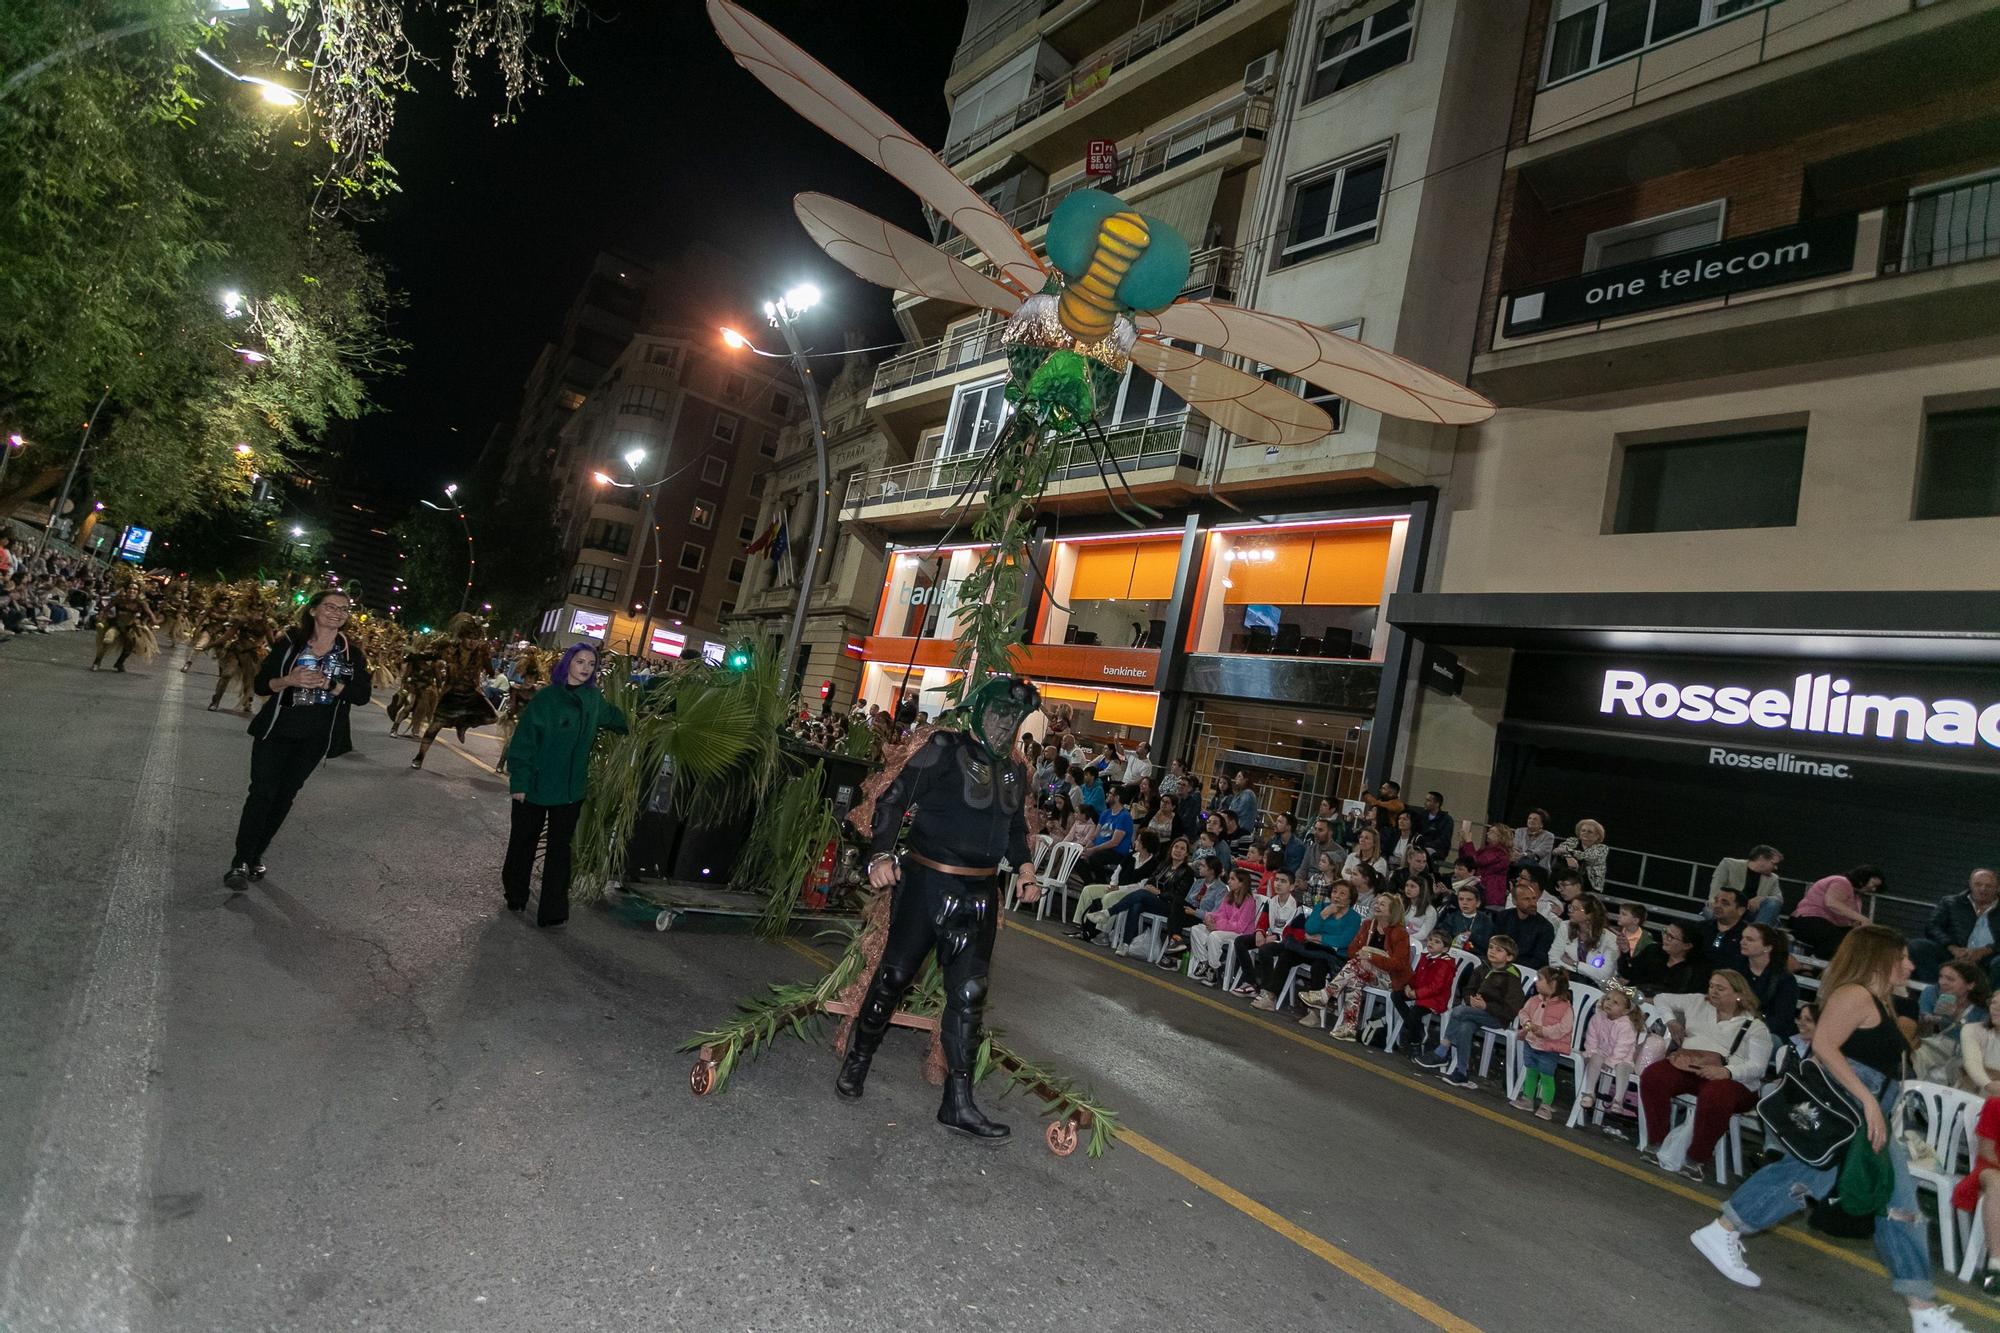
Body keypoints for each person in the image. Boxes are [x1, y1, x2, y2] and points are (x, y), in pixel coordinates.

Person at [1691, 928, 1970, 1333]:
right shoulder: (1855, 994)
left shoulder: (1880, 1001)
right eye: (1904, 957)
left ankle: (1923, 1309)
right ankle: (1723, 1229)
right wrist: (1869, 1101)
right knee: (1814, 1178)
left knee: (1894, 1204)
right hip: (1852, 1107)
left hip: (1869, 1109)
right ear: (1880, 958)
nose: (1911, 965)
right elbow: (1823, 1044)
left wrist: (1880, 1106)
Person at [836, 676, 1042, 1144]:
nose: (1004, 724)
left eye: (1014, 718)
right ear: (980, 711)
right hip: (927, 885)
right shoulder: (944, 748)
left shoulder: (1015, 772)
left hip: (979, 896)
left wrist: (1026, 869)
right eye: (999, 714)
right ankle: (858, 1059)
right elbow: (893, 800)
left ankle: (958, 1102)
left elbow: (1013, 831)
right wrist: (882, 855)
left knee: (969, 996)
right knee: (893, 979)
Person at [225, 590, 371, 890]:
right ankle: (240, 861)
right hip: (276, 730)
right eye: (330, 606)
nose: (337, 613)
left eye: (343, 609)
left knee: (284, 796)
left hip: (314, 738)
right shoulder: (290, 642)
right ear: (314, 610)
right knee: (262, 792)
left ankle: (256, 854)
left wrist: (331, 684)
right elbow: (262, 684)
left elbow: (362, 695)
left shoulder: (351, 653)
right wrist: (289, 680)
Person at [501, 643, 628, 927]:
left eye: (591, 663)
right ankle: (516, 894)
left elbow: (617, 719)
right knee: (523, 843)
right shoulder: (547, 698)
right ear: (567, 664)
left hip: (570, 792)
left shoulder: (593, 700)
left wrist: (646, 722)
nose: (585, 668)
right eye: (580, 661)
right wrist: (519, 781)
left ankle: (553, 911)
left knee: (560, 852)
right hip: (534, 785)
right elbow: (523, 742)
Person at [1639, 971, 1773, 1184]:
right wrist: (1671, 1021)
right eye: (1711, 986)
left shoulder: (1754, 1027)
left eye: (1721, 988)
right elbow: (1661, 998)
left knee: (1716, 1094)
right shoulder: (1697, 1002)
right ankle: (1657, 1142)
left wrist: (1727, 1072)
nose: (1713, 991)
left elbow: (1758, 1066)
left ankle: (1696, 1159)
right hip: (1691, 1067)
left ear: (1739, 994)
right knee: (1655, 1075)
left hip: (1734, 1080)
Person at [1418, 935, 1525, 1088]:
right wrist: (1471, 1001)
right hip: (1474, 1012)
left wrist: (1486, 1006)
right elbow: (1468, 989)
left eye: (1498, 950)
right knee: (1465, 1027)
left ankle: (1442, 1051)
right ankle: (1462, 1072)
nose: (1492, 952)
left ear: (1509, 957)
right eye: (1491, 948)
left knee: (1459, 1011)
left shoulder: (1511, 978)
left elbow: (1512, 1009)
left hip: (1497, 1017)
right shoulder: (1483, 967)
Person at [1304, 894, 1412, 1040]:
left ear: (1392, 911)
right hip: (1363, 971)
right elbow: (1352, 950)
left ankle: (1325, 995)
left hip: (1390, 979)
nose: (1377, 906)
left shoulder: (1400, 933)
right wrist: (1363, 959)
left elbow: (1399, 964)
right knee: (1355, 977)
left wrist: (1370, 957)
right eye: (1377, 903)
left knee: (1354, 968)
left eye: (1382, 904)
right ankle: (1349, 1027)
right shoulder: (1368, 925)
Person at [1249, 881, 1360, 1010]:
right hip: (1311, 949)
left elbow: (1344, 940)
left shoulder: (1354, 917)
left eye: (1342, 893)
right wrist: (1324, 914)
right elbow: (1309, 928)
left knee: (1319, 967)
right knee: (1287, 955)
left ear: (1350, 899)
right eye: (1335, 892)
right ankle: (1271, 997)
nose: (1337, 896)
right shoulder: (1321, 907)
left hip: (1332, 955)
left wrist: (1322, 938)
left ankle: (1315, 1012)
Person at [410, 614, 500, 769]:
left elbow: (490, 671)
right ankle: (420, 756)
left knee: (492, 717)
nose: (473, 642)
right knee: (434, 727)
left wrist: (490, 669)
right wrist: (414, 655)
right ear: (462, 637)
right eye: (469, 638)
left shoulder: (480, 654)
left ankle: (463, 724)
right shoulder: (450, 650)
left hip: (471, 694)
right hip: (451, 694)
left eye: (476, 638)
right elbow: (430, 655)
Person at [1070, 829, 1166, 936]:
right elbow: (1117, 871)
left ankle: (1102, 932)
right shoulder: (1131, 856)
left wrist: (1119, 889)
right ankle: (1082, 923)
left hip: (1132, 893)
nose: (1135, 842)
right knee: (1088, 890)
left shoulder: (1153, 864)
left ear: (1145, 845)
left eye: (1138, 840)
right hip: (1117, 887)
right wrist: (1113, 885)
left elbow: (1141, 886)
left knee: (1109, 898)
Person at [1913, 868, 2000, 985]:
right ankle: (1936, 989)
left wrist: (1985, 951)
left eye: (1988, 886)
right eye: (1978, 884)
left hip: (1988, 959)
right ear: (1970, 884)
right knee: (1918, 946)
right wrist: (1952, 948)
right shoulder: (1951, 902)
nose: (1983, 889)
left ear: (1998, 887)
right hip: (1953, 954)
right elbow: (1932, 926)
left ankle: (1990, 1000)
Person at [1912, 960, 1993, 1086]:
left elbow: (1980, 1045)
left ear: (1970, 985)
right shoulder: (1931, 993)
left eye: (1950, 979)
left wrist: (1954, 1018)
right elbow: (1923, 1034)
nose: (1942, 982)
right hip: (1935, 1045)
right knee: (1917, 1055)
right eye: (1941, 977)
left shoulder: (1982, 1010)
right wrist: (1929, 1021)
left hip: (1965, 1054)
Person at [1513, 967, 1577, 1120]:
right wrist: (1527, 1022)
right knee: (1531, 1070)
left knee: (1547, 1076)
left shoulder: (1565, 1007)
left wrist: (1544, 1031)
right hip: (1531, 1042)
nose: (1536, 982)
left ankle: (1546, 1105)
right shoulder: (1534, 1000)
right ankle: (1528, 1099)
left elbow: (1564, 1028)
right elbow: (1523, 1012)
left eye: (1539, 979)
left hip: (1549, 1047)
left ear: (1553, 983)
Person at [1952, 1097, 2000, 1297]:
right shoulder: (1995, 1105)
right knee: (1998, 1185)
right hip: (1990, 1168)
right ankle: (1996, 1267)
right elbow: (1987, 1152)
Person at [1577, 982, 1643, 1121]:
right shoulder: (1598, 1017)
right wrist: (1590, 1052)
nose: (1609, 1003)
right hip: (1602, 1052)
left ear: (1625, 1011)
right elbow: (1591, 1036)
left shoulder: (1626, 1025)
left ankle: (1618, 1099)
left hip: (1623, 1057)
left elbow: (1623, 1047)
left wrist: (1612, 1061)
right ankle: (1589, 1093)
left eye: (1615, 1003)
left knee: (1623, 1068)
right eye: (1608, 999)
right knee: (1594, 1059)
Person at [1790, 864, 1883, 960]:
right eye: (1873, 885)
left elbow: (1850, 921)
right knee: (1841, 939)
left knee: (1854, 939)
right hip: (1807, 920)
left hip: (1828, 926)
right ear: (1864, 877)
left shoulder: (1857, 898)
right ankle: (1812, 964)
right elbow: (1832, 903)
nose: (1873, 889)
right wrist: (1862, 918)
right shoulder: (1841, 882)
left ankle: (1813, 966)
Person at [1233, 871, 1303, 997]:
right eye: (1276, 880)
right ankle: (1251, 982)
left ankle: (1266, 990)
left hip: (1285, 941)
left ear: (1291, 887)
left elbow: (1298, 935)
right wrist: (1260, 933)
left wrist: (1276, 937)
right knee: (1240, 941)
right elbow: (1262, 922)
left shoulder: (1298, 907)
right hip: (1269, 935)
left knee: (1266, 950)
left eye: (1283, 881)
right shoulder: (1271, 902)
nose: (1278, 884)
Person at [1188, 867, 1261, 987]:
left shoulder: (1249, 902)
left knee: (1214, 936)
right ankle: (1204, 961)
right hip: (1224, 928)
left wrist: (1216, 926)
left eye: (1233, 879)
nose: (1229, 881)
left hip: (1241, 934)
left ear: (1242, 883)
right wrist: (1209, 917)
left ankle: (1214, 968)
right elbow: (1220, 913)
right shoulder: (1228, 896)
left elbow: (1240, 927)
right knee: (1196, 929)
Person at [1396, 928, 1459, 1055]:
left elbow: (1437, 987)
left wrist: (1417, 993)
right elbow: (1416, 976)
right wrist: (1409, 986)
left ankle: (1415, 1042)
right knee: (1396, 995)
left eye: (1436, 942)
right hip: (1421, 993)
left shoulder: (1445, 964)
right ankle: (1418, 1029)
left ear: (1445, 949)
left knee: (1415, 1012)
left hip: (1436, 998)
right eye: (1430, 940)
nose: (1431, 943)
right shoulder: (1425, 957)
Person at [1739, 923, 1800, 1041]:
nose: (1742, 942)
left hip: (1764, 1032)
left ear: (1767, 947)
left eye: (1750, 939)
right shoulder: (1735, 967)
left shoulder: (1785, 980)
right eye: (1743, 937)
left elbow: (1781, 1019)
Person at [1623, 919, 1711, 996]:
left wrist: (1634, 997)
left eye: (1671, 937)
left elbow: (1676, 999)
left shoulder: (1694, 971)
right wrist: (1625, 952)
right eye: (1665, 932)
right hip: (1629, 998)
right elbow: (1628, 974)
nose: (1664, 938)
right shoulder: (1653, 950)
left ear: (1687, 946)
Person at [1551, 892, 1619, 986]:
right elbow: (1553, 959)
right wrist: (1584, 972)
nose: (1569, 911)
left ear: (1589, 915)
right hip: (1567, 980)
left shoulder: (1610, 939)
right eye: (1570, 907)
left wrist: (1574, 964)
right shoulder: (1565, 926)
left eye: (1575, 909)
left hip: (1598, 987)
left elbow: (1604, 975)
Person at [1494, 868, 1556, 970]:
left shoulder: (1545, 927)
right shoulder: (1503, 917)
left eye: (1534, 898)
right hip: (1500, 964)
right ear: (1514, 901)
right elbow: (1495, 943)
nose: (1532, 903)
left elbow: (1539, 960)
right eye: (1526, 899)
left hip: (1525, 971)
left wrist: (1509, 963)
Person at [1710, 846, 1785, 926]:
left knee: (1773, 903)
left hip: (1751, 913)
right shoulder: (1729, 864)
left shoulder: (1773, 878)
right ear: (1761, 858)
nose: (1776, 868)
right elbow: (1716, 888)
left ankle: (1758, 934)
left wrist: (1762, 898)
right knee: (1711, 913)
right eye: (1773, 863)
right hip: (1727, 908)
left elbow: (1778, 898)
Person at [1078, 785, 1135, 877]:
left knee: (1095, 857)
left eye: (1110, 793)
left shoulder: (1124, 817)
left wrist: (1093, 850)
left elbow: (1114, 842)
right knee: (1077, 854)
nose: (1107, 795)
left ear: (1117, 798)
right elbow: (1095, 835)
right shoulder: (1106, 813)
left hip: (1115, 852)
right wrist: (1087, 846)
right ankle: (1089, 883)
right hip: (1100, 849)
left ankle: (1101, 881)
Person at [1457, 819, 1514, 908]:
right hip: (1480, 887)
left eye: (1491, 832)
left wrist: (1469, 841)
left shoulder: (1500, 852)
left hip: (1490, 892)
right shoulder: (1486, 849)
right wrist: (1463, 844)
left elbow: (1477, 861)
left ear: (1501, 836)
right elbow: (1468, 860)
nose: (1487, 833)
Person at [1700, 885, 1752, 977]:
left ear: (1741, 910)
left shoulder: (1748, 936)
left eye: (1725, 903)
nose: (1717, 906)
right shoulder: (1701, 927)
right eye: (1716, 901)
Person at [1391, 849, 1438, 947]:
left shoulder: (1430, 911)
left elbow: (1423, 934)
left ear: (1421, 889)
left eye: (1412, 886)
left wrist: (1403, 939)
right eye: (1407, 885)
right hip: (1400, 940)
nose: (1408, 889)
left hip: (1417, 944)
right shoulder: (1403, 905)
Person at [1437, 882, 1495, 957]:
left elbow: (1488, 944)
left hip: (1476, 957)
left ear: (1478, 903)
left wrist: (1473, 936)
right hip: (1452, 954)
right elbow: (1442, 937)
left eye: (1469, 899)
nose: (1464, 903)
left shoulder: (1485, 920)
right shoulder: (1451, 917)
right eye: (1461, 899)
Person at [1552, 819, 1609, 892]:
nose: (1585, 833)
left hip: (1588, 882)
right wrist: (1568, 857)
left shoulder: (1602, 848)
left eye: (1590, 832)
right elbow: (1556, 851)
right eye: (1583, 830)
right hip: (1567, 876)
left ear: (1597, 836)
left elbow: (1586, 856)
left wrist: (1567, 852)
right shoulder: (1573, 841)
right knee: (1560, 863)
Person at [1412, 789, 1453, 859]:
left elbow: (1444, 839)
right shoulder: (1422, 815)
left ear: (1437, 804)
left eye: (1428, 801)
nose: (1425, 803)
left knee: (1423, 854)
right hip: (1420, 845)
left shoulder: (1446, 819)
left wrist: (1425, 844)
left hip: (1436, 849)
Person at [1266, 811, 1306, 877]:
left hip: (1286, 879)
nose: (1275, 824)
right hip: (1269, 875)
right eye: (1277, 821)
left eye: (1279, 822)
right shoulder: (1273, 840)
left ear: (1288, 827)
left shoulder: (1298, 847)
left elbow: (1291, 870)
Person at [1222, 769, 1259, 835]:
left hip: (1242, 830)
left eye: (1239, 776)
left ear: (1246, 779)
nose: (1236, 778)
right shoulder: (1240, 793)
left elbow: (1239, 811)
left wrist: (1225, 815)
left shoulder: (1248, 793)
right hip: (1236, 829)